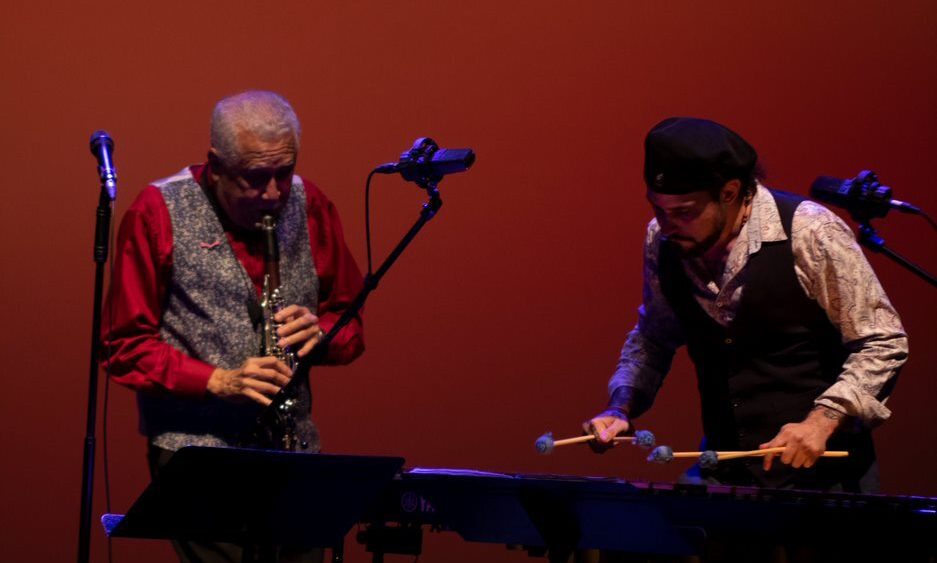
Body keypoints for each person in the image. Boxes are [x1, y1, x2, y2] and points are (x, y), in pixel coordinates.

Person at [102, 90, 364, 562]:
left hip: (294, 453)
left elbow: (351, 324)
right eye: (255, 178)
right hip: (198, 458)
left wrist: (322, 334)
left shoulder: (311, 204)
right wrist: (218, 381)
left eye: (284, 173)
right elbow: (124, 347)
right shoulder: (155, 211)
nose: (273, 194)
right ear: (216, 165)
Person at [586, 117, 907, 492]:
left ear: (730, 192)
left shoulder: (809, 231)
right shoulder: (663, 239)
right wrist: (621, 406)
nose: (667, 224)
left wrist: (823, 419)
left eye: (684, 212)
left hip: (828, 482)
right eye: (659, 209)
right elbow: (655, 336)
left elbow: (883, 340)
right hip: (727, 473)